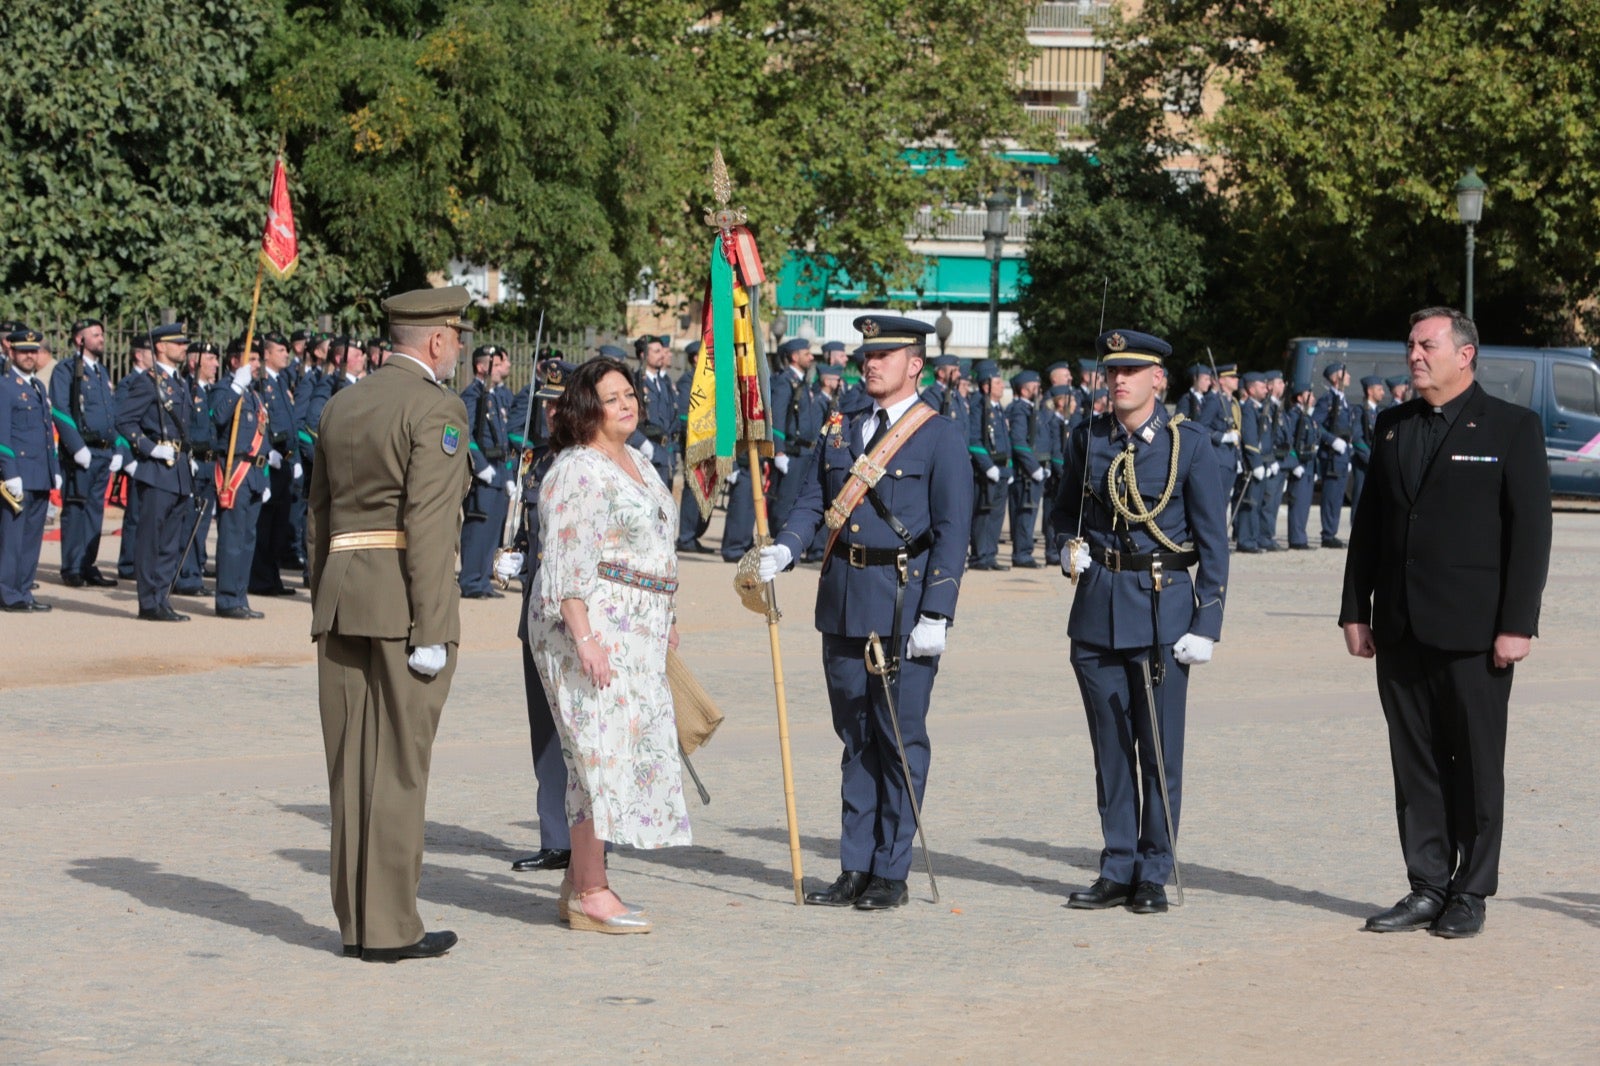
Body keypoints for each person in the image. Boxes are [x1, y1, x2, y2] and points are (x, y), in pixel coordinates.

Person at [1339, 307, 1551, 940]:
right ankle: (1427, 884)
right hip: (1401, 627)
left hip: (1476, 632)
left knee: (1477, 765)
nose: (1413, 355)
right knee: (1416, 764)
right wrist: (1355, 609)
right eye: (1410, 345)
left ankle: (1471, 890)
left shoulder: (1513, 427)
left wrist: (1518, 624)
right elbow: (1371, 527)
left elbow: (1531, 535)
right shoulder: (1392, 427)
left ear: (1466, 355)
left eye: (1426, 344)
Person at [758, 314, 973, 912]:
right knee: (854, 738)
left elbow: (954, 533)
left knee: (898, 738)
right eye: (866, 354)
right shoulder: (840, 426)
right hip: (844, 598)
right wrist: (787, 546)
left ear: (915, 364)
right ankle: (854, 864)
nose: (869, 363)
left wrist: (938, 612)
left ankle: (890, 869)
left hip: (903, 604)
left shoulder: (939, 435)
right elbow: (812, 500)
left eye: (885, 354)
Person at [308, 285, 472, 962]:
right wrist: (433, 627)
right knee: (400, 768)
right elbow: (429, 526)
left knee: (351, 769)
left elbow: (317, 514)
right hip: (404, 605)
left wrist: (326, 591)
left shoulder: (344, 402)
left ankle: (357, 923)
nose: (459, 346)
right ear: (435, 341)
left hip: (343, 594)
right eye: (457, 335)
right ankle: (392, 927)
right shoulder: (436, 407)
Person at [1051, 328, 1228, 915]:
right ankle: (1118, 864)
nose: (1118, 381)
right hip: (1098, 609)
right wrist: (1066, 546)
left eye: (1131, 371)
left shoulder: (1189, 445)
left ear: (1159, 379)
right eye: (1111, 372)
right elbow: (1061, 512)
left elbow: (1212, 542)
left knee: (1157, 749)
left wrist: (1208, 621)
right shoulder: (1088, 439)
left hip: (1161, 611)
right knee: (1109, 752)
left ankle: (1154, 868)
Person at [528, 355, 689, 934]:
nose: (627, 404)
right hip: (589, 629)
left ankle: (580, 879)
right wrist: (585, 637)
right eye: (613, 396)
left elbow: (655, 546)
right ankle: (591, 888)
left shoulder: (640, 462)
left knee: (619, 750)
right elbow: (567, 563)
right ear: (586, 408)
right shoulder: (576, 470)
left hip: (638, 631)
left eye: (630, 394)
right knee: (596, 754)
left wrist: (667, 612)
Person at [499, 360, 575, 874]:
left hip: (579, 616)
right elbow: (534, 530)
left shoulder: (591, 462)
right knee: (545, 728)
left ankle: (591, 837)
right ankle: (555, 835)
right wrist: (517, 555)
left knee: (580, 728)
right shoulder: (536, 461)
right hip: (537, 609)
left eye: (558, 403)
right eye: (545, 402)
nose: (550, 411)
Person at [115, 323, 197, 622]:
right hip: (157, 469)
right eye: (177, 343)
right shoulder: (149, 382)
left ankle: (162, 597)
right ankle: (148, 602)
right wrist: (149, 448)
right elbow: (125, 421)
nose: (183, 347)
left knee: (170, 541)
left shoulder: (179, 382)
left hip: (178, 471)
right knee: (151, 538)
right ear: (160, 347)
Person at [51, 318, 121, 588]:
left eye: (101, 334)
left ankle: (88, 563)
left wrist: (116, 446)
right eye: (95, 335)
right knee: (76, 508)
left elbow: (110, 412)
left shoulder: (102, 372)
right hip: (82, 452)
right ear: (80, 340)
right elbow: (60, 410)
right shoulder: (66, 370)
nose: (101, 338)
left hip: (103, 453)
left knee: (95, 511)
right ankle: (72, 566)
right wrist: (76, 446)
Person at [0, 329, 60, 612]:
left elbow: (47, 433)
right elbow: (2, 436)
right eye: (23, 350)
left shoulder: (38, 387)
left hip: (39, 473)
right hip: (18, 474)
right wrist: (9, 472)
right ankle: (8, 594)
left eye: (33, 351)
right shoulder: (5, 386)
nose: (28, 356)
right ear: (11, 353)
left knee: (32, 539)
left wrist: (54, 468)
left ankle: (23, 591)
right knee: (12, 540)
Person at [212, 340, 271, 620]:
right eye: (253, 359)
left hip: (256, 475)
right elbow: (219, 416)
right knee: (232, 538)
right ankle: (226, 599)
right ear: (236, 362)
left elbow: (262, 436)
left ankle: (240, 595)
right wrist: (236, 386)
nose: (257, 364)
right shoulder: (227, 388)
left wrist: (267, 477)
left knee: (248, 539)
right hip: (236, 471)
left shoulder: (254, 395)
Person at [459, 343, 515, 599]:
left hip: (498, 472)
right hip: (483, 475)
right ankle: (470, 580)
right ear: (482, 366)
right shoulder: (473, 395)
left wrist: (508, 474)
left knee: (492, 530)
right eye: (494, 362)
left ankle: (482, 580)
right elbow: (465, 433)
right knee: (478, 528)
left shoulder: (492, 395)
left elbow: (502, 440)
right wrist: (480, 466)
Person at [250, 333, 303, 595]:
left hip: (285, 461)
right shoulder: (260, 383)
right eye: (281, 350)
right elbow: (261, 423)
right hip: (271, 461)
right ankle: (260, 579)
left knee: (279, 526)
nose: (287, 354)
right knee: (266, 524)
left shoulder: (281, 381)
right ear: (267, 354)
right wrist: (269, 451)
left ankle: (272, 578)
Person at [967, 360, 1012, 570]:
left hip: (1001, 469)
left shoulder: (997, 408)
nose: (1002, 385)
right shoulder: (979, 406)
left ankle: (990, 555)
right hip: (987, 471)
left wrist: (1008, 468)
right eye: (998, 381)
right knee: (983, 515)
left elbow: (1005, 440)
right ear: (986, 385)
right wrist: (988, 466)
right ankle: (979, 557)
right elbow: (974, 440)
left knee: (996, 516)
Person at [1313, 362, 1354, 548]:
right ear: (1336, 378)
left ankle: (1332, 531)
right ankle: (1328, 534)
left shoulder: (1343, 400)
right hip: (1331, 455)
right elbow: (1315, 425)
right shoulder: (1327, 400)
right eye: (1345, 374)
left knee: (1338, 497)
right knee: (1330, 496)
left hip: (1343, 456)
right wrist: (1331, 440)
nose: (1349, 377)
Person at [1282, 381, 1319, 550]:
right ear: (1299, 397)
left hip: (1309, 465)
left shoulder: (1306, 415)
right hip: (1300, 465)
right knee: (1298, 503)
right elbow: (1290, 442)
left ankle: (1300, 536)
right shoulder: (1294, 415)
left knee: (1304, 504)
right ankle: (1296, 539)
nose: (1312, 398)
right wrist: (1294, 463)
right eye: (1308, 394)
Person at [1348, 373, 1386, 517]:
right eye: (1379, 389)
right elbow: (1357, 438)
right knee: (1360, 500)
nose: (1382, 392)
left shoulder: (1378, 412)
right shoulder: (1360, 411)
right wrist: (1370, 458)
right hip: (1364, 464)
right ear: (1370, 391)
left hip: (1375, 462)